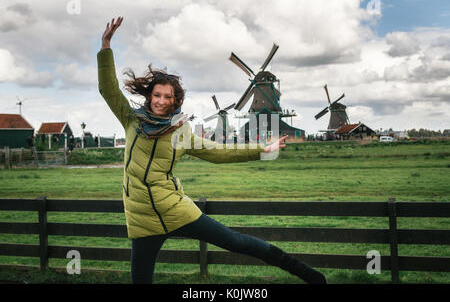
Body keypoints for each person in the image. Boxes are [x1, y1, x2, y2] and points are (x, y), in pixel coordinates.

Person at [97, 17, 326, 284]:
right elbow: (108, 89)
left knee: (234, 241)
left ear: (175, 101)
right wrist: (105, 47)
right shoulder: (131, 119)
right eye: (156, 95)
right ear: (150, 96)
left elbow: (218, 152)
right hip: (142, 218)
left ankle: (309, 275)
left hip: (175, 208)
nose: (160, 101)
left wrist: (262, 149)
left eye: (167, 97)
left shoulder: (180, 133)